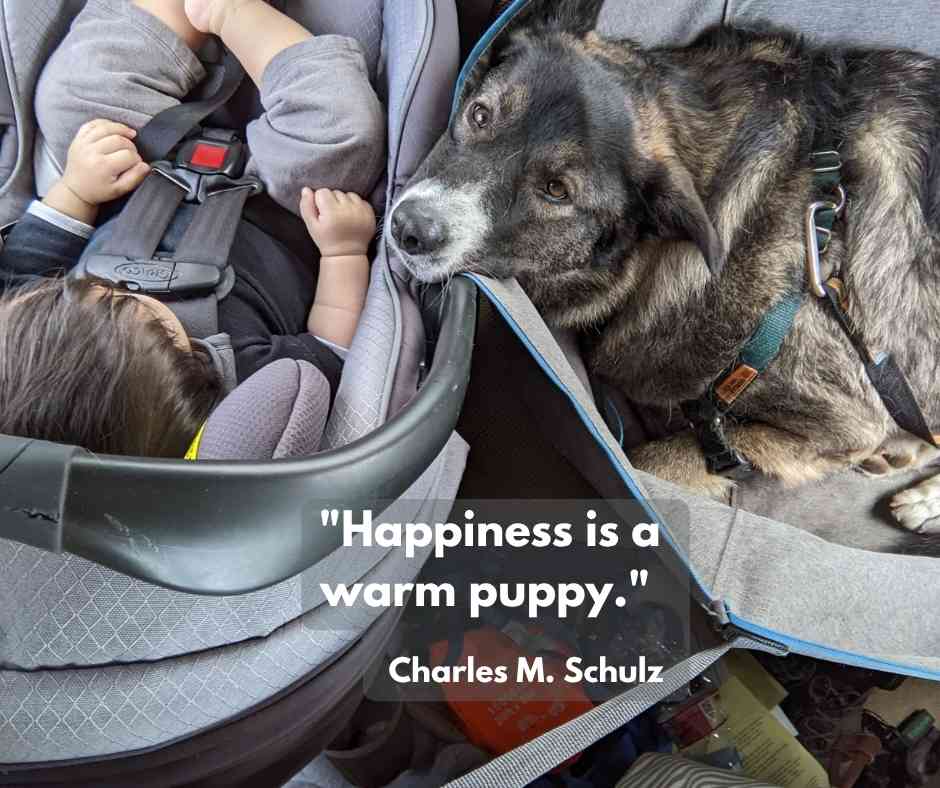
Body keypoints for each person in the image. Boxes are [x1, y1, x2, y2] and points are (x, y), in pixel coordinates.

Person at [0, 0, 385, 458]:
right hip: (280, 204)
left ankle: (183, 8)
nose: (124, 290)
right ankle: (231, 13)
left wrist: (77, 190)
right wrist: (343, 254)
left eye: (98, 293)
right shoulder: (242, 378)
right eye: (141, 309)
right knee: (340, 135)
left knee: (71, 96)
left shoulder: (36, 324)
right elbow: (328, 347)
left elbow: (26, 264)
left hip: (133, 170)